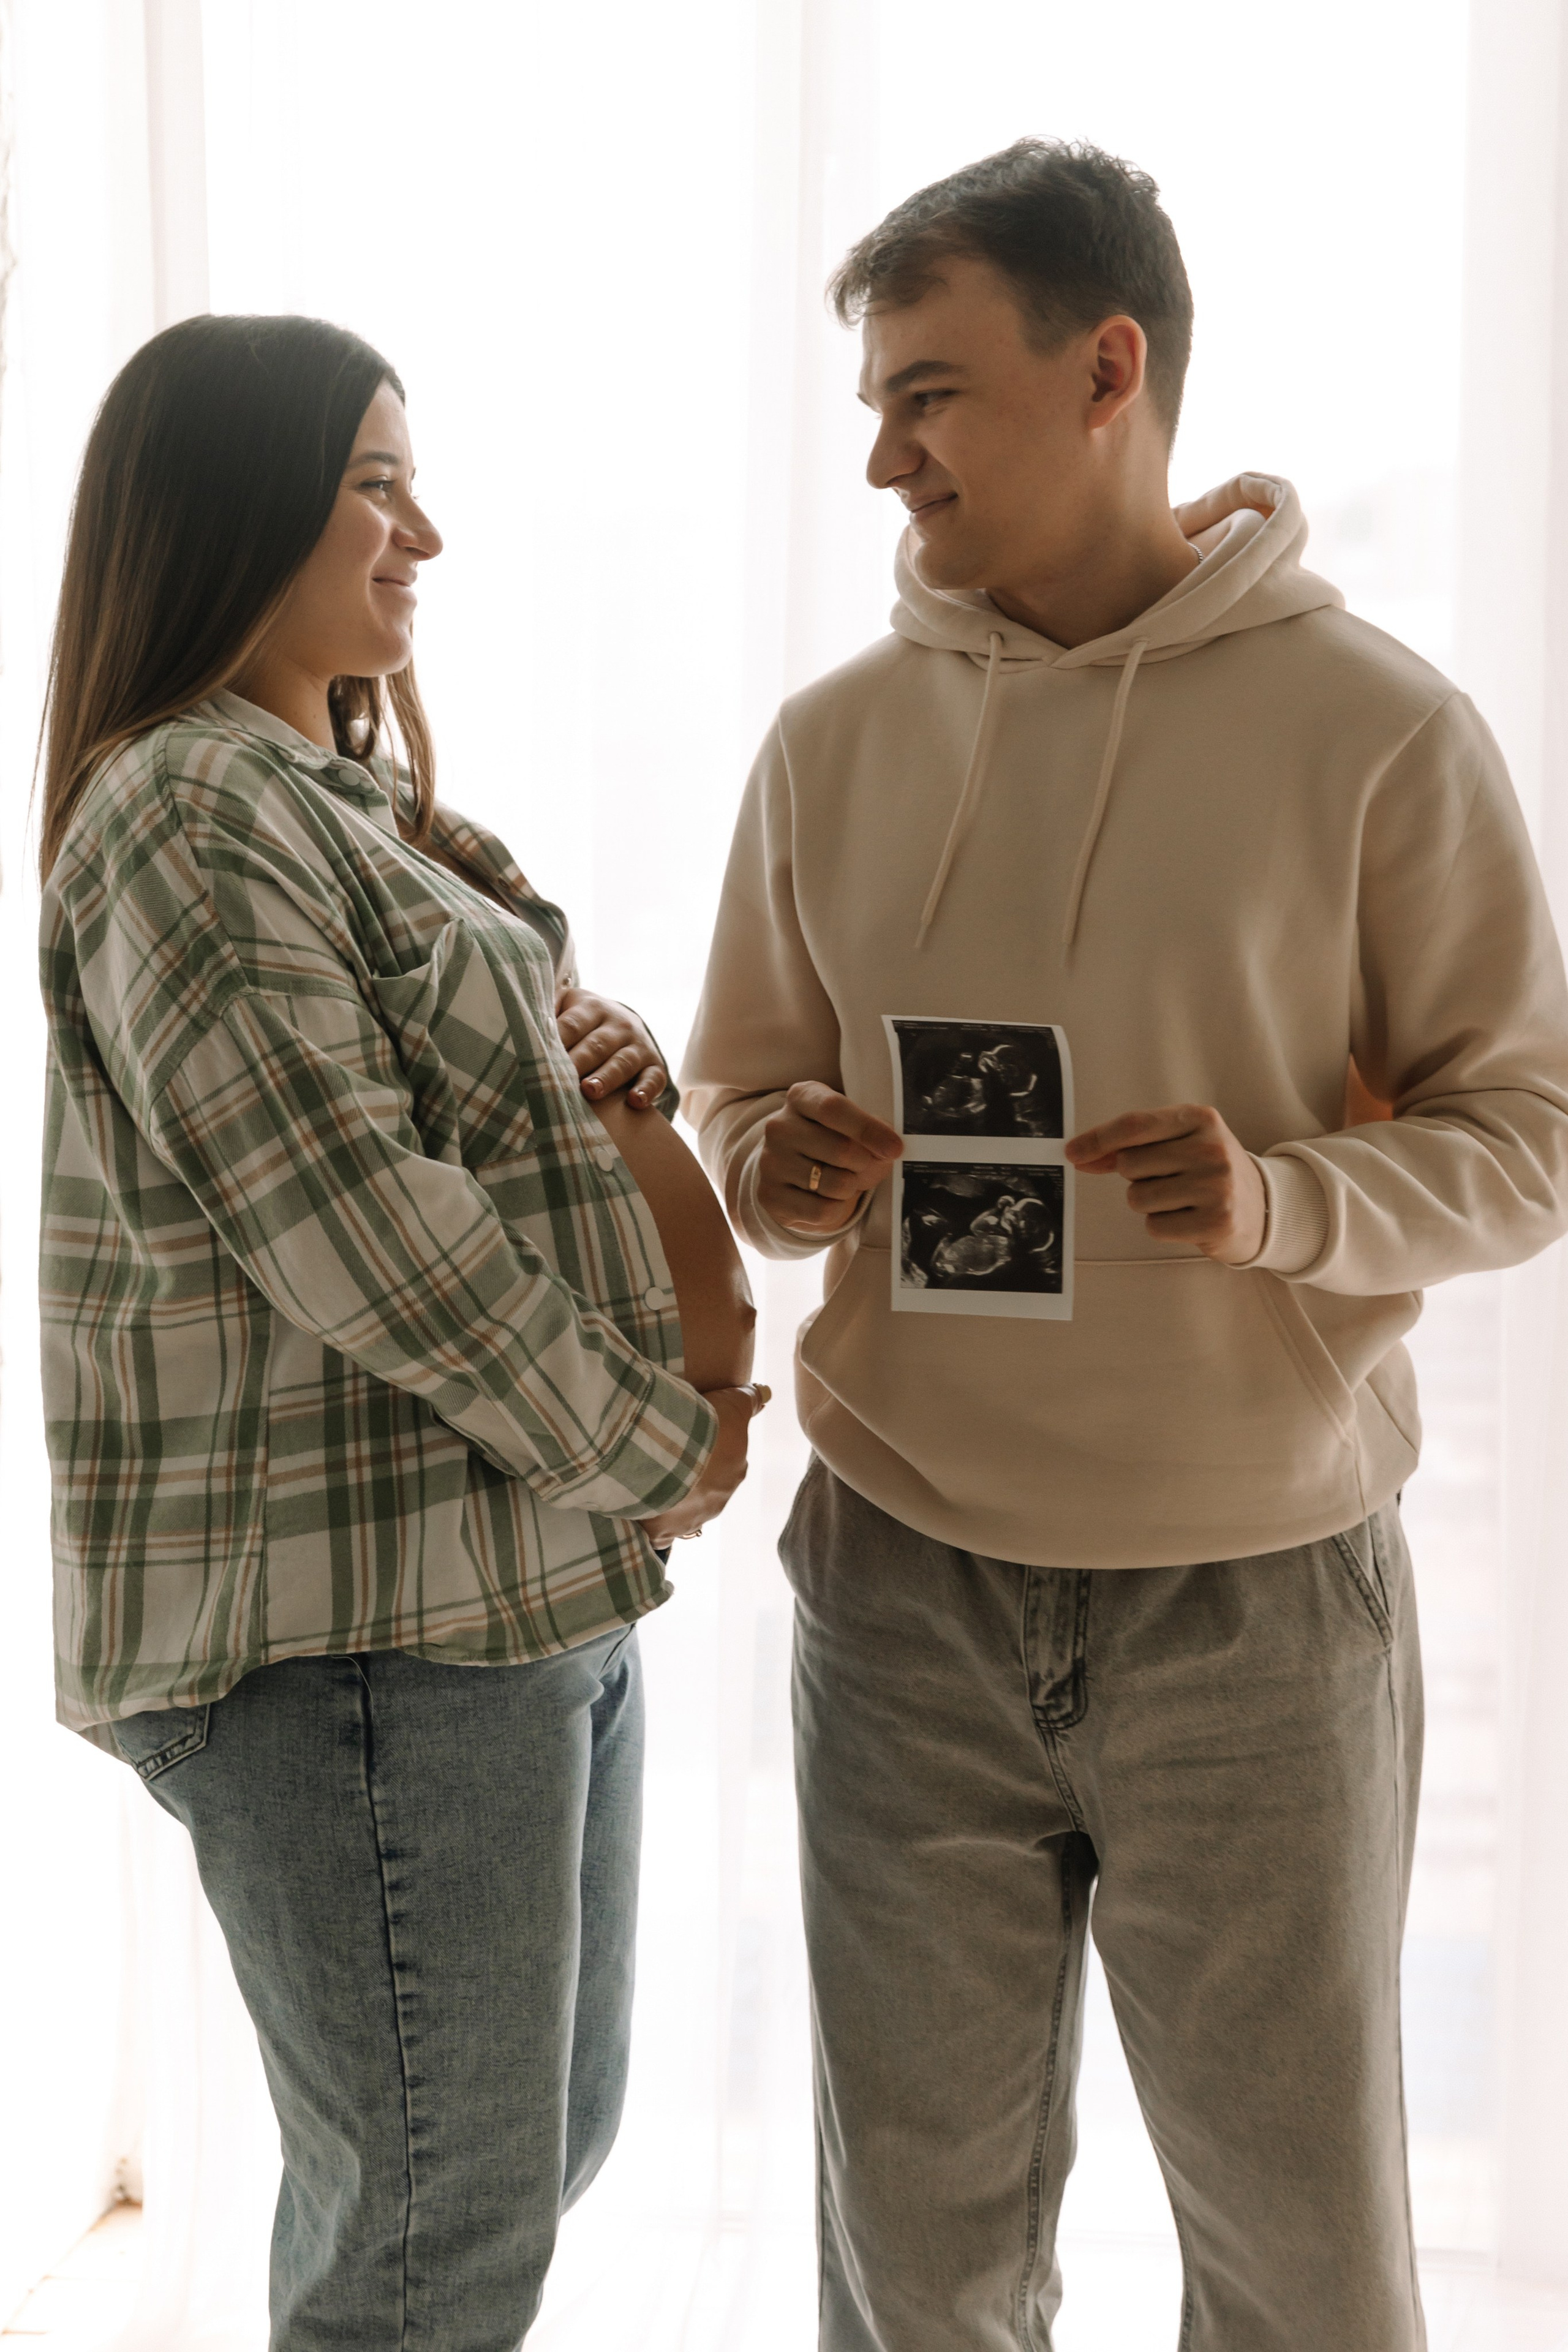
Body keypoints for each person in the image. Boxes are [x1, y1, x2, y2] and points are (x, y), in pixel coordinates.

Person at [682, 140, 1568, 2351]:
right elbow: (732, 1091)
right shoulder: (831, 745)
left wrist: (1290, 1202)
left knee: (1301, 2276)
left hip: (1255, 1613)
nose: (883, 458)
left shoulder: (1381, 734)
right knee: (918, 2269)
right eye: (873, 403)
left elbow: (1531, 1134)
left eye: (930, 395)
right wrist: (772, 1165)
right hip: (900, 1593)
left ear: (1110, 370)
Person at [38, 313, 764, 2350]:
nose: (421, 530)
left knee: (505, 2174)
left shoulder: (337, 802)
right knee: (434, 2245)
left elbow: (449, 1131)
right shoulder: (189, 811)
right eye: (373, 481)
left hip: (503, 1591)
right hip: (364, 1632)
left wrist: (586, 1050)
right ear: (230, 507)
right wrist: (654, 1436)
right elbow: (356, 1226)